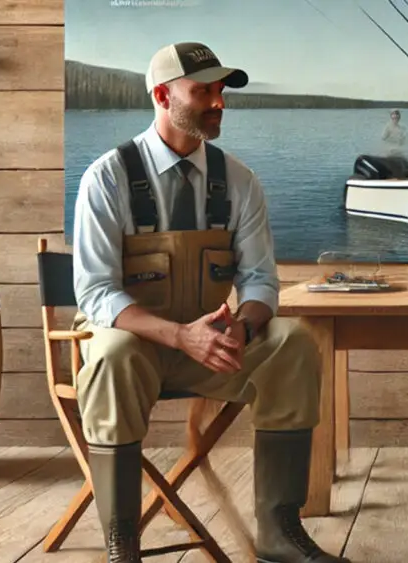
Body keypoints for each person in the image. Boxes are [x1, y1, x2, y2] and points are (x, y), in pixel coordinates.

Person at [68, 41, 348, 563]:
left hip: (216, 349)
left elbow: (262, 280)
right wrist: (179, 335)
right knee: (108, 352)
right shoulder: (106, 178)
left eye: (221, 91)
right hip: (134, 351)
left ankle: (279, 532)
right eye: (203, 91)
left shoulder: (239, 181)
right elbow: (95, 292)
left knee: (291, 342)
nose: (219, 102)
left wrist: (242, 326)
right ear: (161, 95)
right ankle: (122, 539)